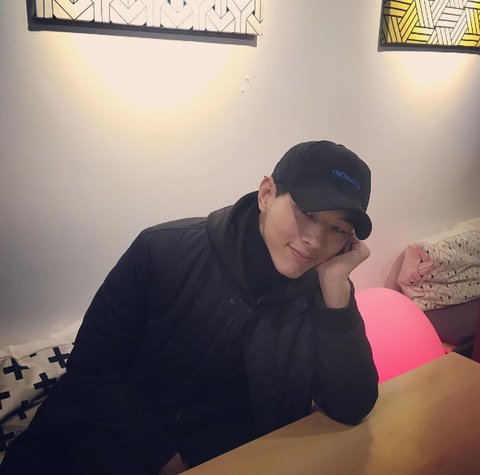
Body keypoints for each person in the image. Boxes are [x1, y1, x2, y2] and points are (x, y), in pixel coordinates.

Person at [1, 140, 378, 475]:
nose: (315, 241)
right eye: (307, 213)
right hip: (97, 447)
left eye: (337, 229)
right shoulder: (163, 251)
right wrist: (173, 465)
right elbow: (93, 372)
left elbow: (352, 406)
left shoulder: (322, 291)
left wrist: (336, 289)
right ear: (266, 194)